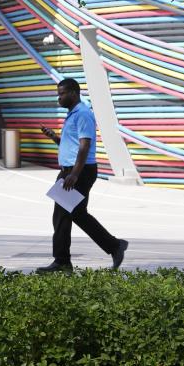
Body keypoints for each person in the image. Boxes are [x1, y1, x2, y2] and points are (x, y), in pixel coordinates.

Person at [37, 77, 128, 272]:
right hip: (71, 170)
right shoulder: (73, 114)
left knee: (62, 215)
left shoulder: (83, 114)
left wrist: (75, 174)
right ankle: (114, 246)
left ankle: (62, 261)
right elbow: (72, 145)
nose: (58, 98)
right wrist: (54, 137)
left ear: (73, 93)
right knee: (76, 214)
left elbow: (85, 146)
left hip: (79, 171)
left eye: (61, 94)